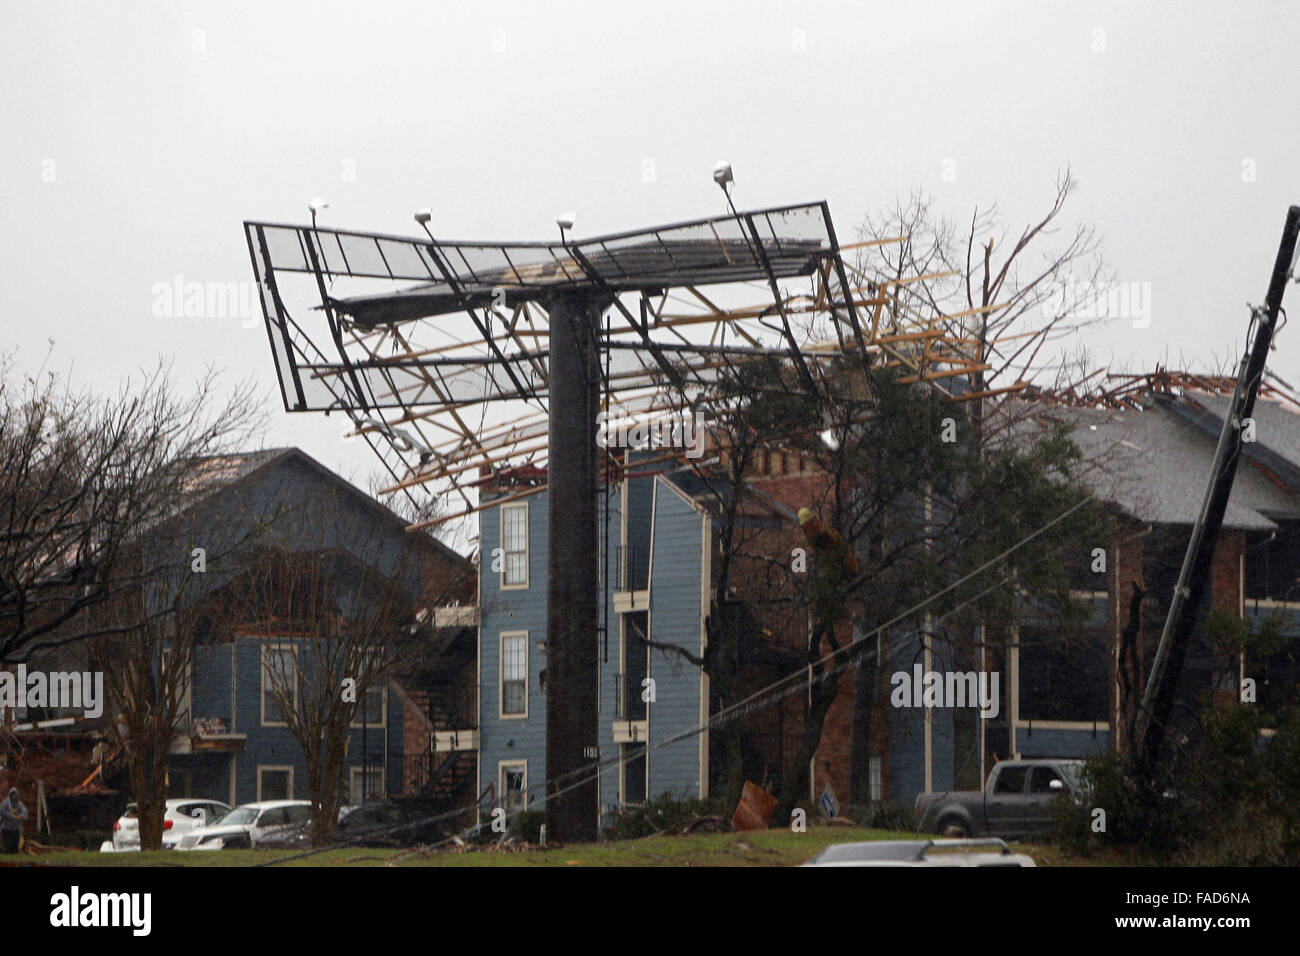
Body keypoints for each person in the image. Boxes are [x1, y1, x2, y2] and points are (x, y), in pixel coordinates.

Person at [0, 787, 27, 854]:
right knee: (7, 846)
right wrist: (10, 816)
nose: (15, 796)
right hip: (7, 829)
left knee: (15, 847)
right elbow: (1, 811)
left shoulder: (20, 804)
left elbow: (25, 813)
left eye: (16, 795)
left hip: (16, 829)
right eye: (13, 795)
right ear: (10, 795)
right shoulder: (6, 803)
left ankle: (14, 859)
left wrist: (20, 816)